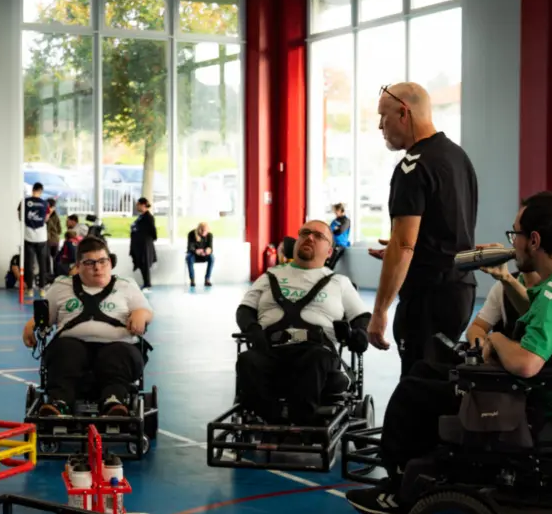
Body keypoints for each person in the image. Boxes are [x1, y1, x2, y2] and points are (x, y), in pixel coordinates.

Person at [346, 192, 552, 514]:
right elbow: (538, 320)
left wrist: (498, 339)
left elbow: (526, 363)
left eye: (515, 234)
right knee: (426, 370)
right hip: (541, 394)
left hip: (532, 404)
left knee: (414, 393)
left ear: (534, 240)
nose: (512, 242)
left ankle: (401, 488)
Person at [365, 82, 479, 376]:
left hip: (429, 297)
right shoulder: (457, 157)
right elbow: (444, 228)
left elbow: (404, 245)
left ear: (404, 113)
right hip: (461, 289)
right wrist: (397, 250)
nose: (380, 126)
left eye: (384, 116)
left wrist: (379, 312)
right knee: (439, 379)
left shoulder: (412, 166)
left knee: (419, 385)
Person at [235, 220, 370, 422]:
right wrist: (252, 329)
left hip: (316, 352)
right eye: (305, 233)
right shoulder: (270, 276)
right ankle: (272, 420)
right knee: (247, 361)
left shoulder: (339, 283)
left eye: (318, 236)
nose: (309, 237)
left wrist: (358, 334)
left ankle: (302, 421)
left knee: (315, 359)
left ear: (329, 252)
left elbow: (361, 317)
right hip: (271, 350)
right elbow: (245, 310)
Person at [23, 237, 153, 417]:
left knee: (118, 354)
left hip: (118, 347)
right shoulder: (62, 286)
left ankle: (114, 401)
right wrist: (31, 325)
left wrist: (140, 314)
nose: (97, 267)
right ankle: (59, 402)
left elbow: (146, 311)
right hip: (72, 348)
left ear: (110, 262)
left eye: (102, 261)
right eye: (90, 263)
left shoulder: (126, 285)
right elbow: (43, 316)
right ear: (78, 266)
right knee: (65, 350)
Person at [464, 255, 541, 347]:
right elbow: (478, 326)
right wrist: (480, 345)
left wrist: (507, 278)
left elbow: (538, 317)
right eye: (513, 240)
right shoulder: (501, 287)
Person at [19, 182, 49, 295]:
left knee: (29, 264)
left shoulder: (24, 202)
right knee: (42, 264)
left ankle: (30, 289)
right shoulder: (45, 203)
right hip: (41, 238)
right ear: (41, 191)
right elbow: (46, 219)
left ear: (33, 190)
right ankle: (42, 289)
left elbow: (19, 216)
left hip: (29, 237)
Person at [129, 198, 157, 289]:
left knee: (144, 264)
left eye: (138, 204)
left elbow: (153, 231)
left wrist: (146, 239)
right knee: (141, 264)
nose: (136, 206)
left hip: (144, 245)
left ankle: (147, 283)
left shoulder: (148, 217)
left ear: (143, 205)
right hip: (139, 244)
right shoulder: (141, 217)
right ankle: (146, 282)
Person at [185, 222, 214, 287]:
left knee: (212, 258)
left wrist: (207, 251)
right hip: (194, 254)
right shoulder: (191, 234)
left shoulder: (209, 235)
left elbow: (210, 248)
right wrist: (196, 251)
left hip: (204, 254)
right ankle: (192, 280)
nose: (204, 232)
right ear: (199, 230)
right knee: (189, 257)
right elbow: (190, 247)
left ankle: (207, 279)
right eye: (202, 230)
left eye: (205, 231)